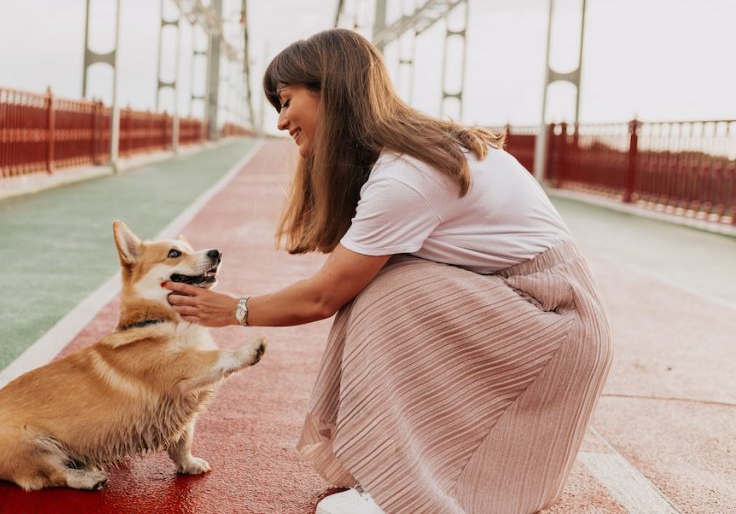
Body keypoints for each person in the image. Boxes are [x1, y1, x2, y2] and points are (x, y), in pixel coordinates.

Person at [165, 29, 613, 514]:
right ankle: (391, 480)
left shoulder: (408, 175)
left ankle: (399, 499)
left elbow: (324, 295)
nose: (279, 121)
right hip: (529, 310)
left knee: (389, 291)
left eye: (287, 100)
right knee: (384, 282)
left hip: (553, 321)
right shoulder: (407, 159)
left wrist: (235, 310)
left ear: (332, 93)